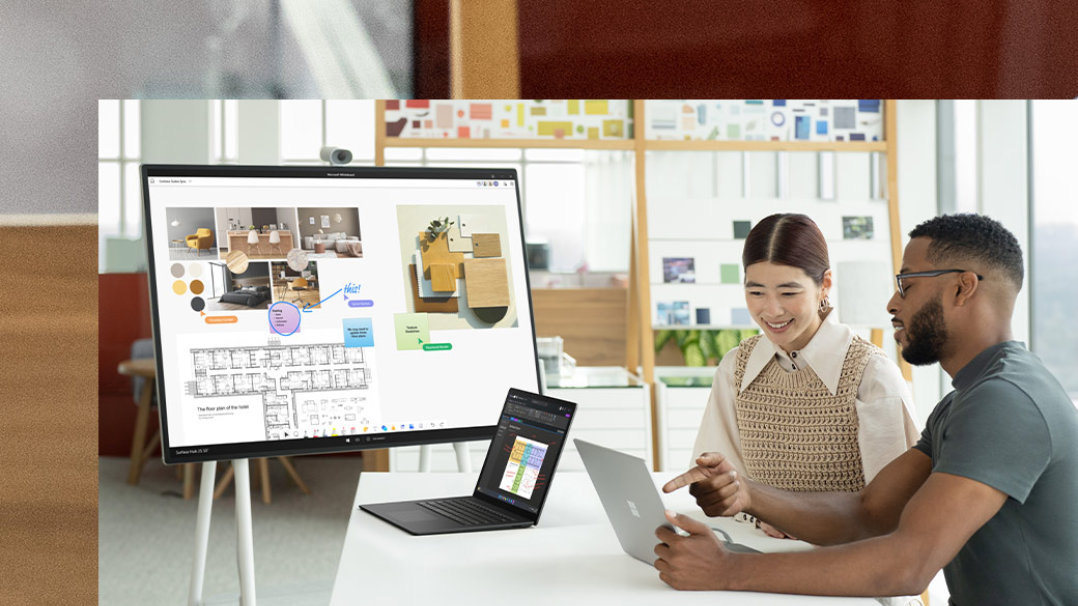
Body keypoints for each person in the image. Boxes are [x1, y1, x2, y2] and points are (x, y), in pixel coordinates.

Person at [657, 214, 1078, 604]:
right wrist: (747, 493)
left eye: (907, 284)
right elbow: (871, 513)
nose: (892, 304)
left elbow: (907, 564)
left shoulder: (1005, 402)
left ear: (962, 287)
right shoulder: (968, 399)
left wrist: (728, 570)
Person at [694, 213, 918, 539]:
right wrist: (756, 517)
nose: (772, 311)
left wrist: (792, 518)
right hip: (760, 560)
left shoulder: (870, 375)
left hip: (848, 565)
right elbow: (722, 489)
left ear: (824, 284)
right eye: (756, 293)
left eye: (788, 292)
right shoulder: (736, 368)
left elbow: (894, 512)